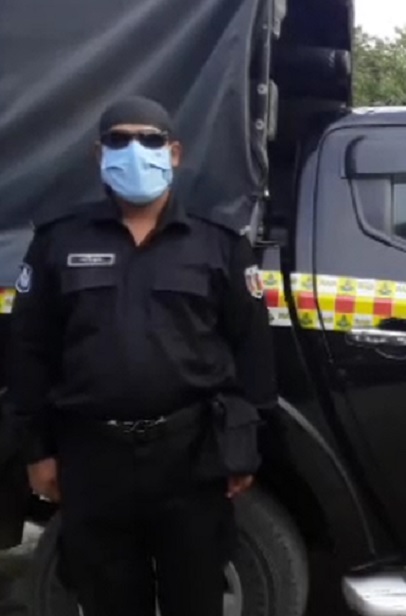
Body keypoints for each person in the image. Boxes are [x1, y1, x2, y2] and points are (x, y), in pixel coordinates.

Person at [5, 96, 275, 616]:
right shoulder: (59, 241)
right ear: (99, 154)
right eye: (119, 140)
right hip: (92, 458)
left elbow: (252, 352)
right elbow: (31, 350)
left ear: (174, 153)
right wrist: (37, 451)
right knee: (106, 600)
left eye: (150, 140)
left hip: (190, 455)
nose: (135, 151)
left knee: (195, 599)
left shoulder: (218, 243)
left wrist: (244, 447)